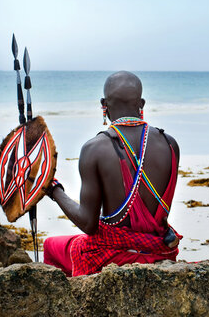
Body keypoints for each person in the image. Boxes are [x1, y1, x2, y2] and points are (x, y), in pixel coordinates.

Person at [43, 71, 181, 276]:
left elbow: (88, 224)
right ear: (141, 103)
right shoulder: (170, 144)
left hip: (112, 257)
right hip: (160, 251)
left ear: (103, 104)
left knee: (51, 245)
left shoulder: (94, 148)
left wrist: (54, 190)